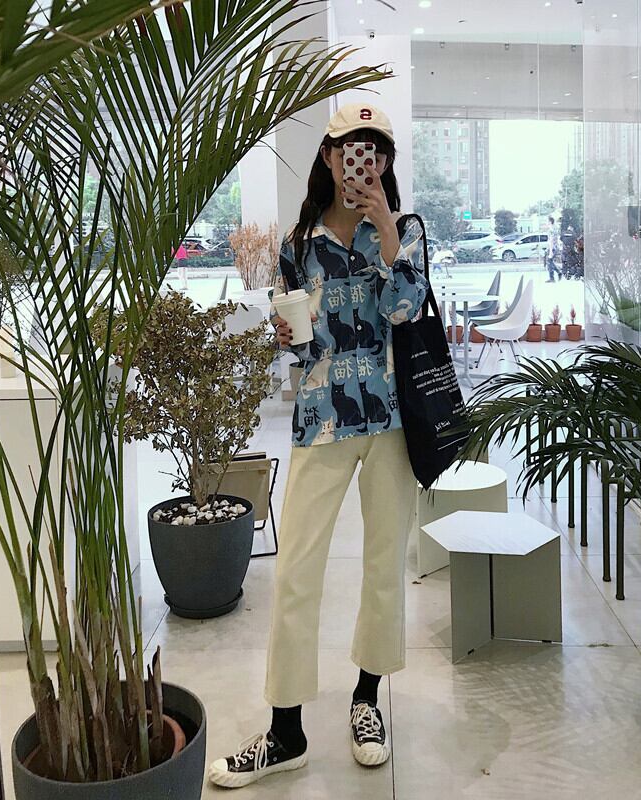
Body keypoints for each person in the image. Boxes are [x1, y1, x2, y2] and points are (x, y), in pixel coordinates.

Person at [209, 103, 428, 789]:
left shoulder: (406, 230)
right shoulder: (298, 242)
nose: (362, 161)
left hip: (389, 421)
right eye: (350, 149)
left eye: (375, 151)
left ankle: (366, 698)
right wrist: (286, 334)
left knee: (384, 566)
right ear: (329, 157)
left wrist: (384, 227)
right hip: (321, 420)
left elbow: (405, 309)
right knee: (297, 571)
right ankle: (286, 731)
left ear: (385, 164)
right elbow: (299, 340)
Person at [545, 216, 561, 282]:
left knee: (549, 262)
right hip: (555, 247)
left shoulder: (551, 229)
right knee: (550, 262)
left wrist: (551, 250)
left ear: (550, 222)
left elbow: (551, 240)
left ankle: (552, 278)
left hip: (553, 247)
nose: (546, 222)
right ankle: (558, 273)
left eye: (547, 221)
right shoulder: (555, 228)